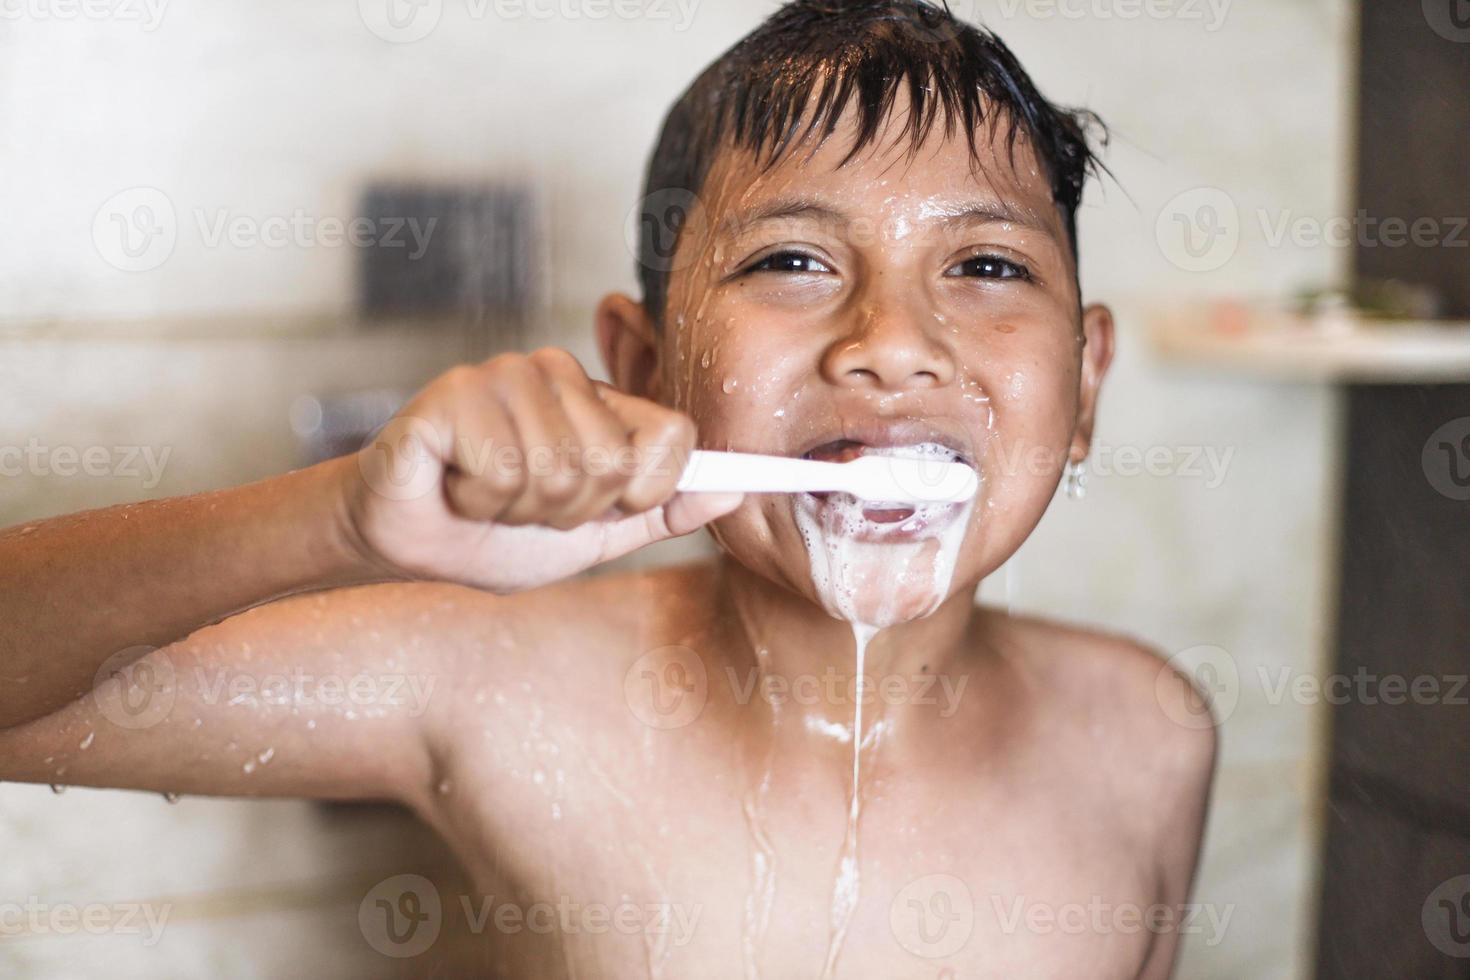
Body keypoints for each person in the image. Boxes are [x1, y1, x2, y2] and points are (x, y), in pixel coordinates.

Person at [0, 2, 1216, 975]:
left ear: (1087, 381)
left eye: (987, 263)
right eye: (793, 259)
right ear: (644, 367)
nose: (893, 342)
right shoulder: (499, 683)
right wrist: (335, 519)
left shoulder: (1146, 733)